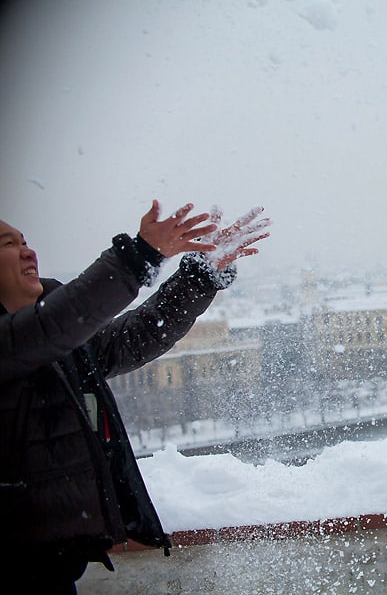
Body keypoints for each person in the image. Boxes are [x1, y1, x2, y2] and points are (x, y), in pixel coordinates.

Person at [0, 200, 270, 593]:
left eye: (25, 240)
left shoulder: (61, 344)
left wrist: (202, 275)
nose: (29, 250)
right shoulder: (28, 339)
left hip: (51, 568)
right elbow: (57, 323)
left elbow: (137, 335)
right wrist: (139, 255)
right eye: (8, 243)